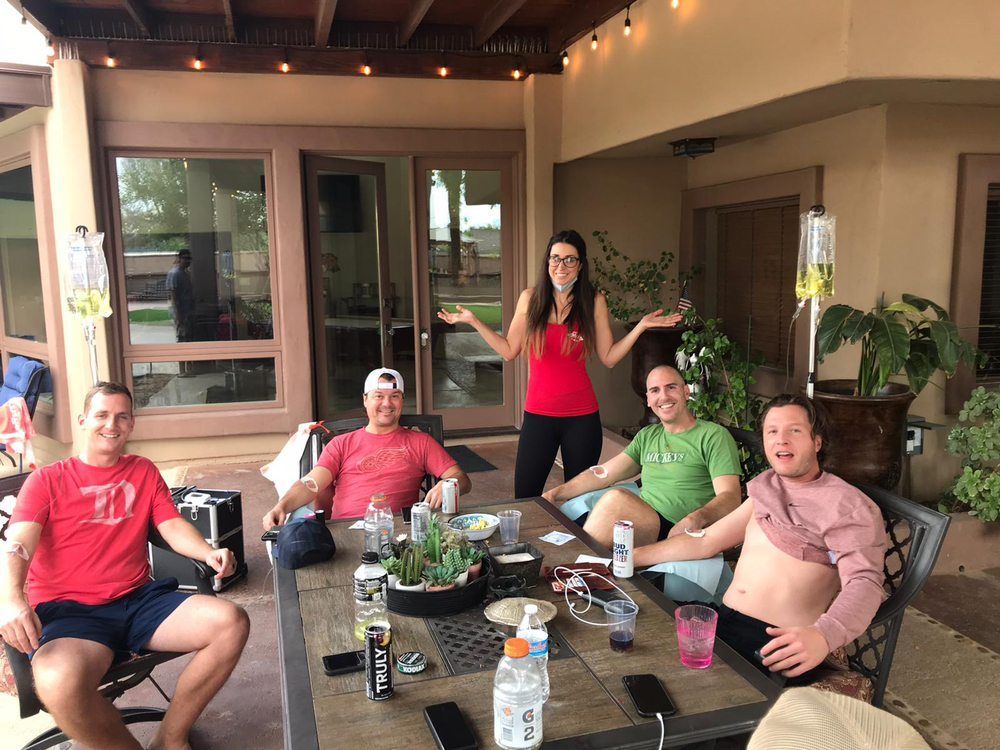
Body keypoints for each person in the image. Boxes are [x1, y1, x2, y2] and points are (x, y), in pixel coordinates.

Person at [0, 382, 250, 750]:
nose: (111, 424)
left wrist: (205, 551)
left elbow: (170, 524)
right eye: (101, 415)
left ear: (132, 424)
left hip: (138, 600)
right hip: (71, 613)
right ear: (84, 420)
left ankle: (170, 737)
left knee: (231, 622)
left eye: (121, 416)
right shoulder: (48, 480)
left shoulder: (143, 471)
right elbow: (19, 543)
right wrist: (11, 597)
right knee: (56, 681)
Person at [633, 394, 888, 682]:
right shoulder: (767, 487)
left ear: (817, 441)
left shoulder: (846, 505)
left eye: (794, 430)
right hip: (722, 622)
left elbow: (864, 582)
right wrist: (631, 558)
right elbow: (705, 541)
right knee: (636, 643)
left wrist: (823, 636)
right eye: (772, 431)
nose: (781, 440)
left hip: (774, 643)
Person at [437, 229, 683, 499]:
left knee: (580, 499)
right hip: (539, 415)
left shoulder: (593, 301)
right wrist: (474, 321)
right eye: (555, 258)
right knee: (526, 496)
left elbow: (609, 357)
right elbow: (508, 350)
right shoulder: (530, 299)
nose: (561, 266)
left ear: (580, 264)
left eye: (569, 259)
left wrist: (641, 327)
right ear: (547, 262)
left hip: (581, 417)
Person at [541, 364, 742, 548]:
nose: (663, 396)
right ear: (648, 399)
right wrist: (554, 494)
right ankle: (578, 564)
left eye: (671, 387)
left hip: (676, 528)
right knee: (572, 519)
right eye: (655, 390)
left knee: (616, 499)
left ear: (686, 392)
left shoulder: (713, 436)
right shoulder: (648, 436)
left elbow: (730, 497)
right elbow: (603, 473)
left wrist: (694, 519)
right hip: (638, 519)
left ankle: (579, 565)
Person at [262, 368, 471, 527]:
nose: (387, 404)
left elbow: (462, 480)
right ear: (365, 400)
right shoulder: (341, 444)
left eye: (394, 396)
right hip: (346, 531)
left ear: (402, 400)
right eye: (378, 396)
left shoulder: (420, 442)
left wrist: (449, 484)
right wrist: (282, 506)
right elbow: (311, 484)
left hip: (398, 532)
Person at [166, 249, 195, 344]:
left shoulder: (185, 273)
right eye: (185, 258)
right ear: (179, 258)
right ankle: (182, 358)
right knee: (182, 337)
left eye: (189, 258)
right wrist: (179, 315)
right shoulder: (175, 273)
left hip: (188, 312)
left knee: (188, 337)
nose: (188, 261)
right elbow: (173, 296)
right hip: (181, 312)